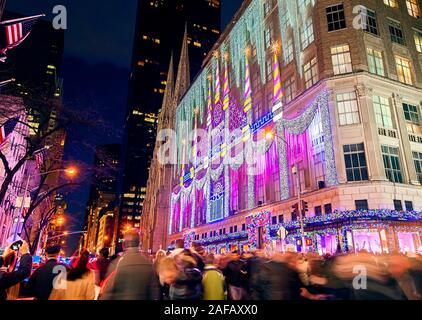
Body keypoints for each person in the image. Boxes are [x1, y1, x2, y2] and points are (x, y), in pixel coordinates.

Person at [99, 229, 160, 300]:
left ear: (123, 245)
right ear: (139, 243)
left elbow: (107, 293)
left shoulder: (116, 264)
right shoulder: (149, 264)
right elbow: (155, 294)